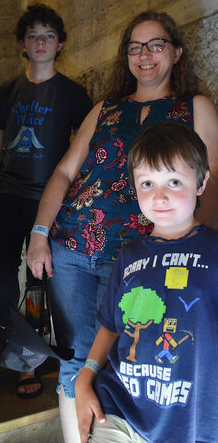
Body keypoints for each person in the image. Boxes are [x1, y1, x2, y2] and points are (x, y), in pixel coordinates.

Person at [27, 10, 218, 440]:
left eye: (155, 45)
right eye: (135, 47)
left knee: (130, 359)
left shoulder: (194, 107)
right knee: (76, 359)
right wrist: (39, 234)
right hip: (73, 248)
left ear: (177, 52)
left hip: (138, 259)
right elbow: (64, 173)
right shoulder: (105, 109)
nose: (144, 55)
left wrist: (191, 253)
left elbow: (213, 177)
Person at [0, 4, 93, 399]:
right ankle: (10, 334)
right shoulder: (7, 92)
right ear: (22, 44)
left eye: (48, 36)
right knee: (3, 271)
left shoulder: (73, 93)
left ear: (61, 43)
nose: (41, 42)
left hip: (49, 200)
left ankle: (27, 361)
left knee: (39, 281)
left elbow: (87, 149)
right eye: (33, 36)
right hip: (7, 194)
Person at [75, 122, 218, 443]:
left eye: (175, 181)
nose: (160, 196)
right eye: (148, 183)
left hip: (194, 418)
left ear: (201, 182)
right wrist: (84, 379)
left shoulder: (214, 252)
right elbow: (111, 326)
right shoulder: (130, 255)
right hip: (119, 405)